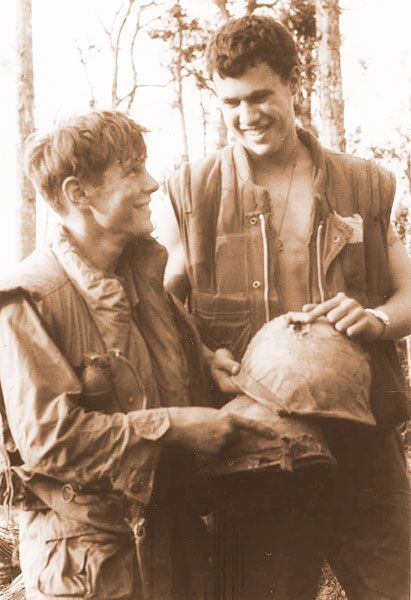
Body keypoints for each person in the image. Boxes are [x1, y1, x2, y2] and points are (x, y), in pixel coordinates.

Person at [164, 15, 411, 600]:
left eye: (261, 96)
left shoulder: (362, 183)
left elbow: (409, 292)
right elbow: (159, 304)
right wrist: (200, 355)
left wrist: (376, 321)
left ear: (294, 86)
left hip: (362, 436)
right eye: (232, 102)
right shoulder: (193, 193)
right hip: (255, 446)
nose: (248, 116)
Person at [0, 110, 258, 600]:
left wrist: (203, 362)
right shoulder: (28, 299)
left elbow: (137, 370)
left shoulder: (142, 276)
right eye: (133, 170)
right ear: (79, 193)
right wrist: (174, 425)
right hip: (92, 570)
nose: (153, 184)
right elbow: (51, 440)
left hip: (172, 549)